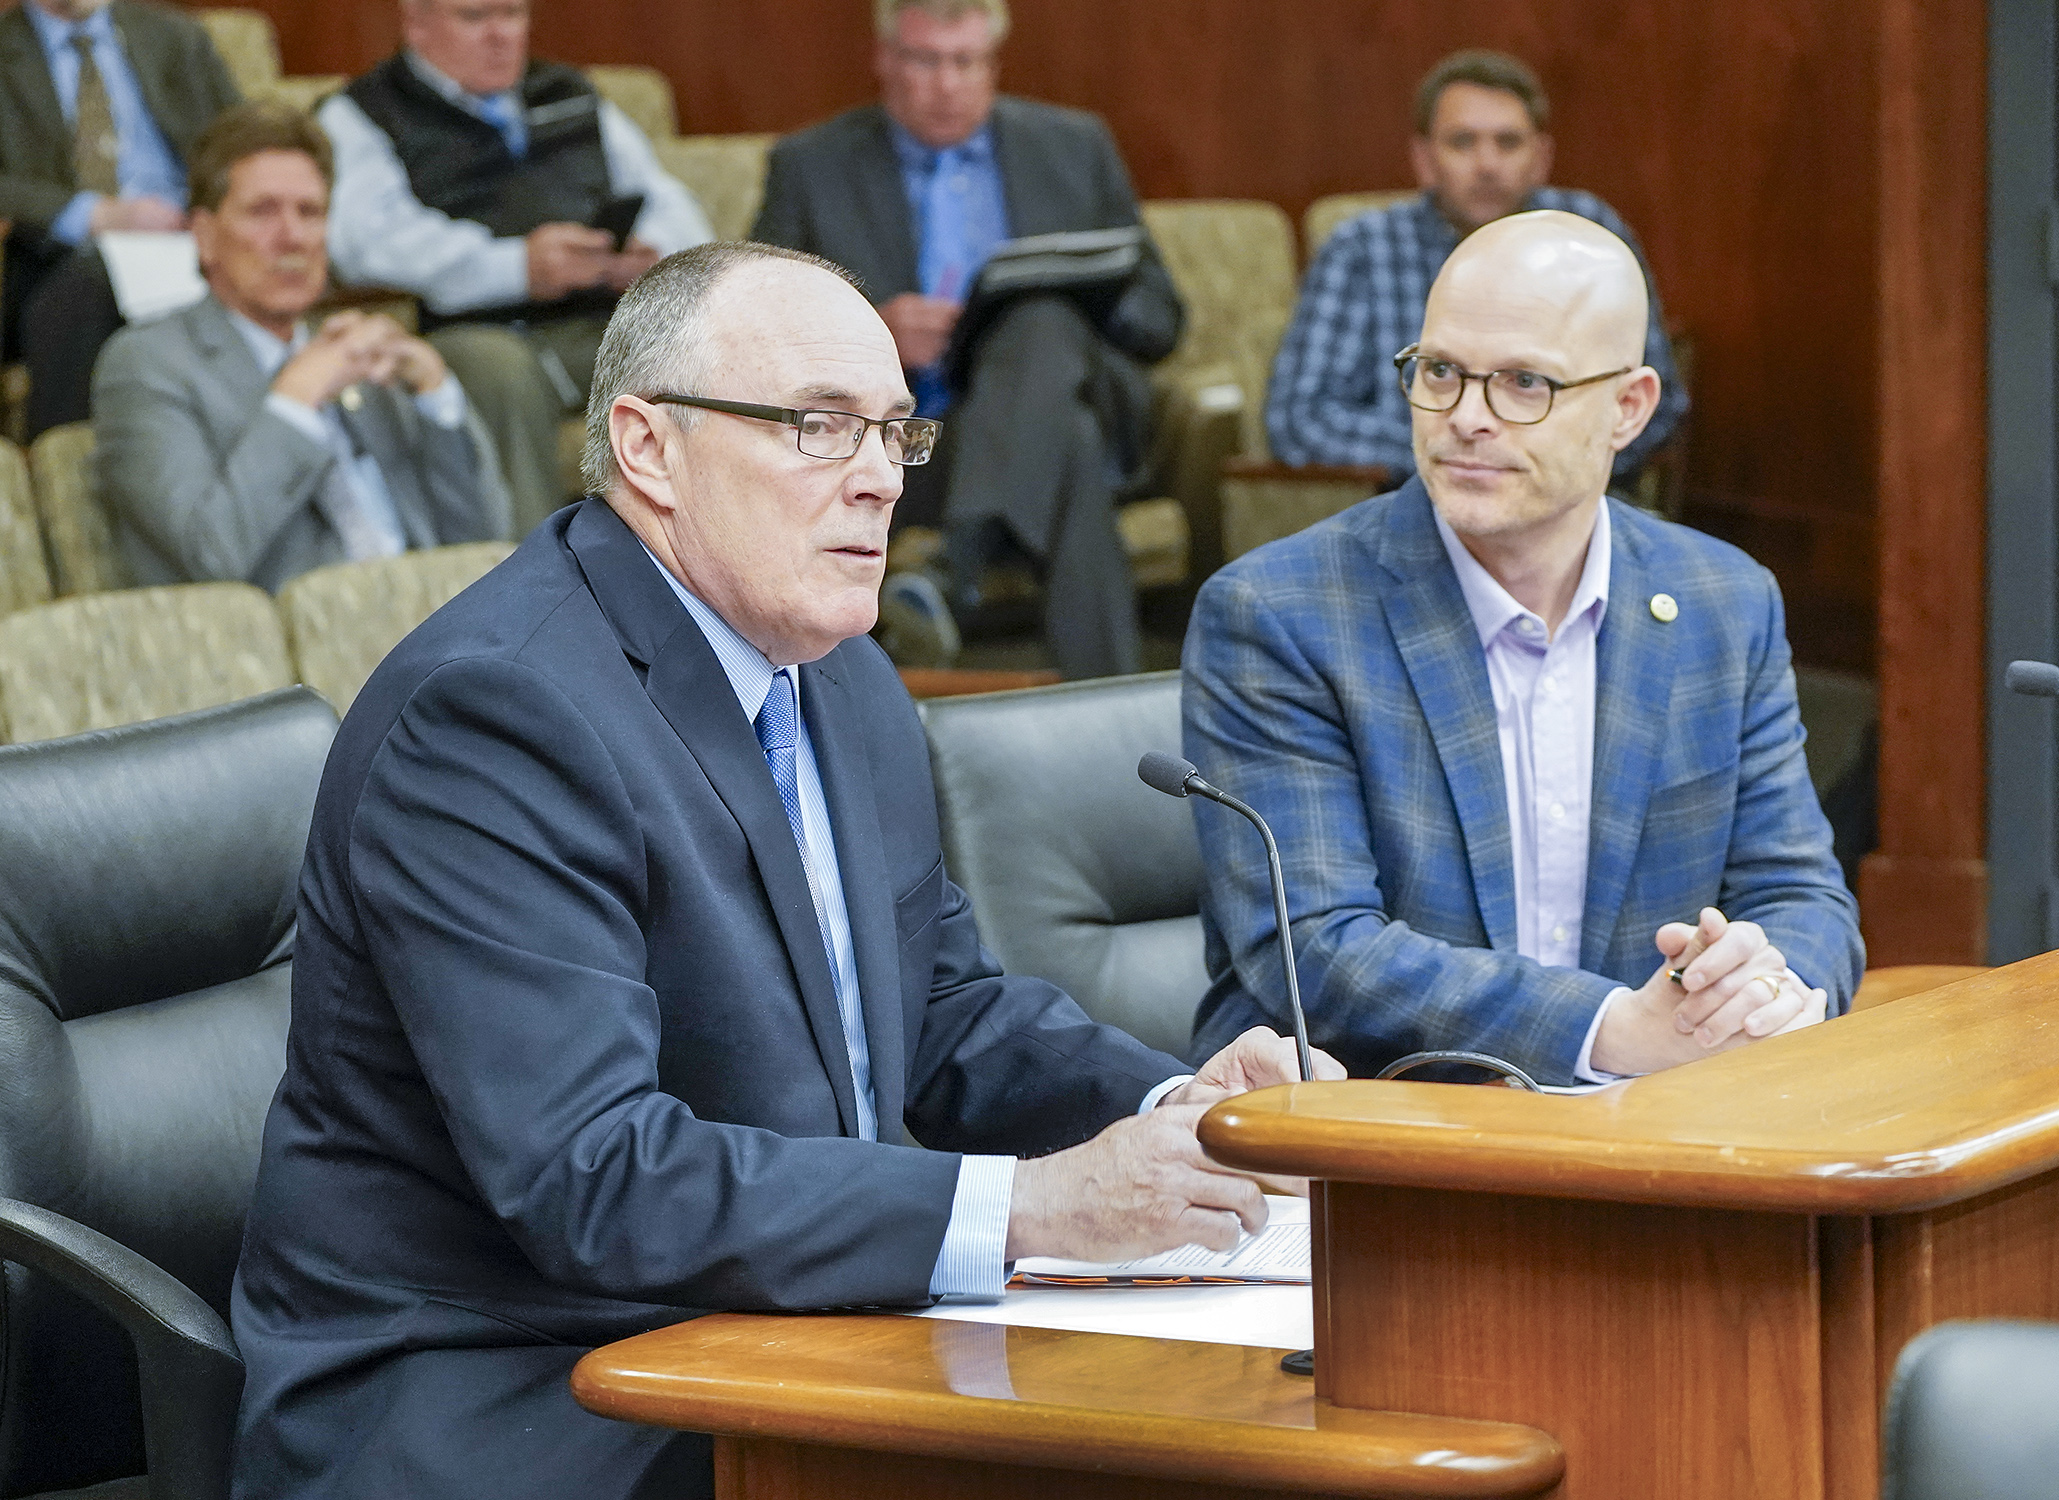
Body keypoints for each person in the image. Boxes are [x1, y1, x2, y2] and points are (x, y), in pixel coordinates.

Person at [228, 239, 1340, 1500]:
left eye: (894, 435)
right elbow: (594, 1177)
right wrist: (1035, 1208)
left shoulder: (841, 672)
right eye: (818, 428)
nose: (877, 482)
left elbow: (941, 1012)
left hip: (777, 1335)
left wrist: (1186, 1121)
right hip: (514, 1385)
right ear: (648, 447)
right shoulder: (496, 713)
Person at [1185, 210, 1862, 1085]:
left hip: (1661, 1128)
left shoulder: (1723, 602)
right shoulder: (1279, 614)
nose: (1467, 417)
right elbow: (1318, 948)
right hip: (1385, 1133)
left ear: (1628, 408)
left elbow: (1799, 892)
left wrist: (1773, 991)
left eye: (1523, 384)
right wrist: (1608, 1029)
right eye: (1440, 372)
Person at [752, 0, 1182, 679]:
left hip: (1075, 396)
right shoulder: (811, 166)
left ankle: (961, 565)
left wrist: (1076, 296)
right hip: (908, 444)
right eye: (926, 61)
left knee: (1040, 323)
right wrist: (873, 332)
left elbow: (1162, 319)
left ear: (993, 64)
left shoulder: (1073, 148)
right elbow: (755, 331)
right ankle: (1115, 732)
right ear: (885, 60)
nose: (947, 84)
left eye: (965, 62)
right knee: (1065, 444)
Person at [318, 0, 711, 535]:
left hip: (597, 318)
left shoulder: (568, 92)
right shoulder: (362, 112)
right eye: (476, 17)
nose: (501, 35)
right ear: (417, 24)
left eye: (513, 13)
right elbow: (368, 243)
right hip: (465, 333)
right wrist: (517, 267)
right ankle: (541, 586)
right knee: (503, 373)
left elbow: (667, 199)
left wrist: (650, 249)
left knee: (702, 348)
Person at [91, 103, 508, 592]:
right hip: (295, 652)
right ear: (204, 236)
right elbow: (208, 556)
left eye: (310, 212)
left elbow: (485, 543)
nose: (292, 237)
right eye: (263, 211)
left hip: (433, 633)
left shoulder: (362, 359)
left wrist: (436, 395)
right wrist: (296, 399)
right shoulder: (146, 364)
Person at [1266, 49, 1688, 489]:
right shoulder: (1363, 248)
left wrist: (1541, 463)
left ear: (1541, 157)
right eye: (1463, 142)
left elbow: (1657, 402)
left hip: (1573, 501)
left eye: (1508, 142)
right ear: (1424, 160)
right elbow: (1299, 420)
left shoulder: (1590, 232)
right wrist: (1467, 452)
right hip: (1416, 502)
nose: (1487, 164)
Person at [0, 0, 239, 438]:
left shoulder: (176, 38)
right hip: (55, 254)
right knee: (89, 285)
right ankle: (66, 470)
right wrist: (96, 214)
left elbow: (245, 143)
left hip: (192, 234)